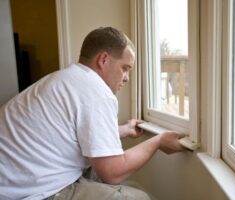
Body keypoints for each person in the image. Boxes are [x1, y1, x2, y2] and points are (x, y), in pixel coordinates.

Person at [0, 27, 186, 200]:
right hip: (27, 192)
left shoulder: (66, 79)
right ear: (103, 60)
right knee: (140, 197)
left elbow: (74, 132)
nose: (127, 78)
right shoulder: (96, 92)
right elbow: (113, 173)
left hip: (13, 182)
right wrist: (158, 141)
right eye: (125, 68)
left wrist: (123, 130)